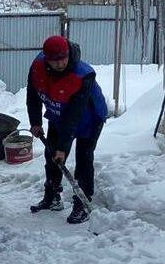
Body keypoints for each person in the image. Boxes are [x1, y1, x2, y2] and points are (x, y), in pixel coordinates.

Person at [26, 34, 109, 224]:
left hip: (88, 118)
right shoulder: (37, 67)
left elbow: (74, 115)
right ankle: (52, 196)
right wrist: (35, 122)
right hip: (58, 114)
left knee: (83, 158)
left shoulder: (83, 75)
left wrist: (62, 148)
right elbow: (33, 94)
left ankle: (82, 203)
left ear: (68, 54)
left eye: (62, 58)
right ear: (46, 58)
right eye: (54, 61)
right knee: (51, 156)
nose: (59, 64)